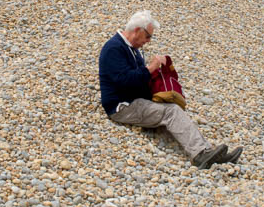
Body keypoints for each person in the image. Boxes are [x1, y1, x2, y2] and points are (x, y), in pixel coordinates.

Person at [98, 10, 242, 169]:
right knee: (171, 111)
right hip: (122, 106)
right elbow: (123, 81)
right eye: (148, 36)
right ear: (137, 30)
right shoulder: (114, 48)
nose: (148, 41)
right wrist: (149, 69)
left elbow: (137, 79)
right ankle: (201, 155)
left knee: (173, 109)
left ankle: (214, 156)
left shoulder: (132, 49)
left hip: (135, 101)